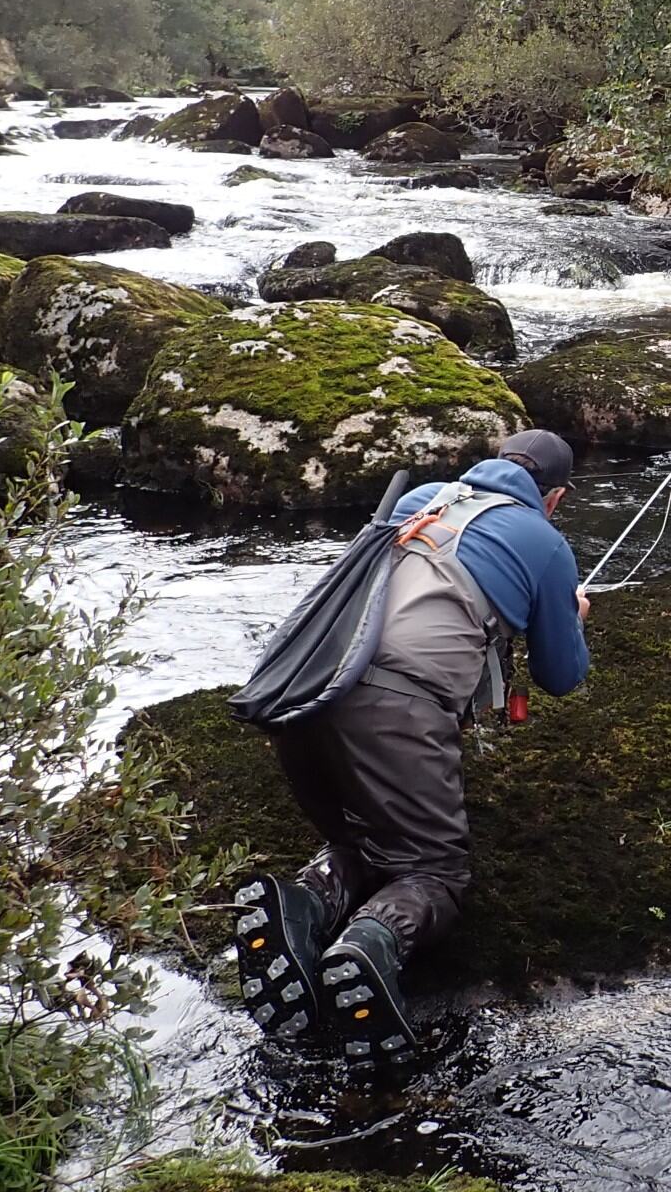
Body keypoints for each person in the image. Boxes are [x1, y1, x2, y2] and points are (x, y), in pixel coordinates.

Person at [232, 428, 589, 1059]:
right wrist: (570, 611)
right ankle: (371, 940)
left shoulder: (422, 497)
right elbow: (562, 676)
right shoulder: (544, 541)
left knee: (366, 840)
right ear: (554, 497)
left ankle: (305, 903)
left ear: (493, 462)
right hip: (394, 714)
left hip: (304, 692)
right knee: (435, 874)